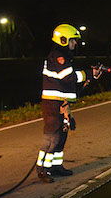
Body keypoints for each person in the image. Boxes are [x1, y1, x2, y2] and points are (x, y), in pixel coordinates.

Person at [36, 24, 99, 183]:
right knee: (52, 136)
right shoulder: (58, 56)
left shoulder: (64, 56)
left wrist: (89, 75)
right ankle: (43, 169)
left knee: (62, 135)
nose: (75, 43)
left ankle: (56, 166)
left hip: (61, 103)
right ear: (63, 40)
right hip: (52, 104)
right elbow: (68, 77)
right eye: (73, 40)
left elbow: (68, 80)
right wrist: (88, 73)